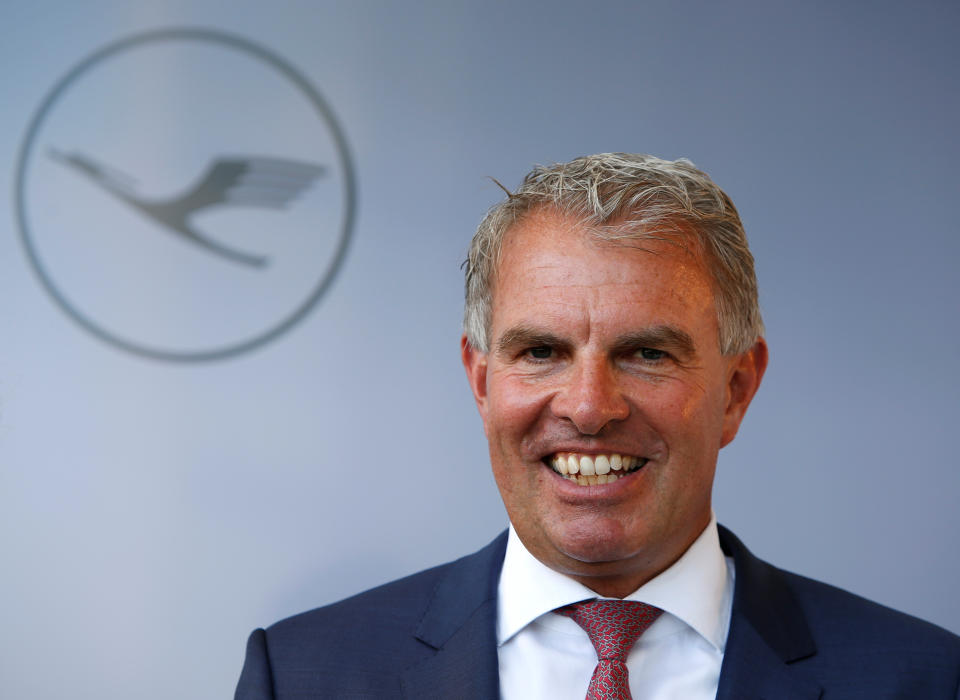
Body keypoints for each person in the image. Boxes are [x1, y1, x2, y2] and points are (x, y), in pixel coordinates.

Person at [235, 153, 960, 699]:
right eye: (541, 352)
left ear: (737, 389)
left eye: (646, 353)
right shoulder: (304, 675)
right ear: (482, 381)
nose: (588, 407)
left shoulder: (923, 679)